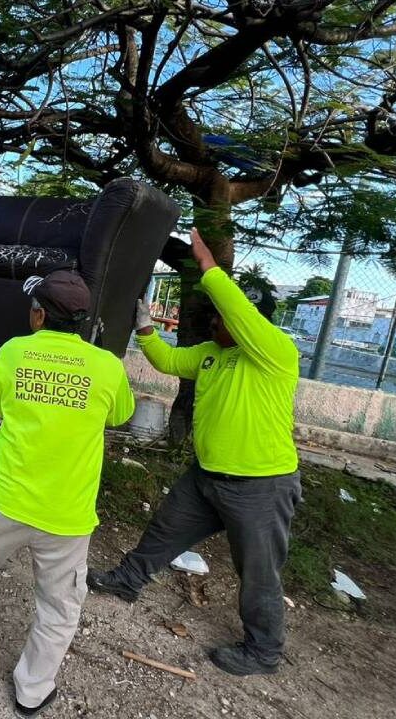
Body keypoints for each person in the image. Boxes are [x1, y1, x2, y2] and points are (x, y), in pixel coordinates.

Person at [87, 228, 301, 676]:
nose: (213, 322)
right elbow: (167, 362)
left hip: (260, 486)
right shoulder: (209, 354)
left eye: (221, 317)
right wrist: (144, 327)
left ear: (246, 322)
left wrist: (210, 268)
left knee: (259, 572)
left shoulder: (274, 354)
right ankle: (127, 581)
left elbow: (238, 310)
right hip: (207, 476)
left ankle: (263, 652)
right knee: (164, 529)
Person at [0, 270, 135, 717]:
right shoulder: (108, 366)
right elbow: (119, 415)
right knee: (59, 606)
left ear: (39, 314)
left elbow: (2, 405)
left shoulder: (13, 353)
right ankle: (32, 691)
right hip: (68, 513)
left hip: (7, 499)